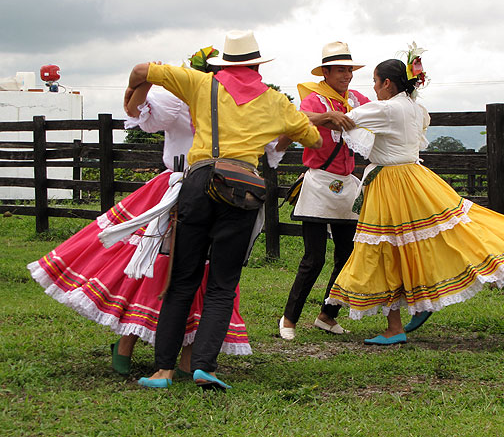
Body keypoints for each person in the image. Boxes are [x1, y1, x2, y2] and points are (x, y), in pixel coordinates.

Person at [27, 47, 252, 377]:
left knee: (207, 268)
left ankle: (190, 351)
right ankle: (128, 340)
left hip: (222, 191)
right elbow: (136, 110)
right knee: (156, 263)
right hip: (178, 187)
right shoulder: (181, 101)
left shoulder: (242, 105)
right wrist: (145, 81)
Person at [128, 30, 322, 389]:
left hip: (200, 182)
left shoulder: (201, 83)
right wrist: (281, 130)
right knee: (222, 284)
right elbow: (312, 137)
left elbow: (142, 70)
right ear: (257, 64)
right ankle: (205, 366)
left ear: (224, 63)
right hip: (243, 190)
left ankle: (163, 371)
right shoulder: (276, 101)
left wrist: (130, 93)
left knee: (182, 279)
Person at [326, 47, 504, 345]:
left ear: (388, 84)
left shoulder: (387, 108)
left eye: (376, 82)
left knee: (387, 249)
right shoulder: (416, 109)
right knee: (424, 241)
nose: (375, 89)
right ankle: (418, 305)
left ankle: (399, 324)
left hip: (391, 184)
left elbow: (344, 121)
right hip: (415, 178)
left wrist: (308, 117)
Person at [277, 41, 370, 341]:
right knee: (313, 258)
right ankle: (289, 319)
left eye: (350, 70)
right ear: (326, 72)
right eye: (341, 70)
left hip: (347, 184)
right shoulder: (315, 100)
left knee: (346, 255)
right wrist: (328, 118)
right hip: (318, 183)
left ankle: (328, 315)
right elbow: (297, 120)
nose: (347, 75)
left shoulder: (357, 99)